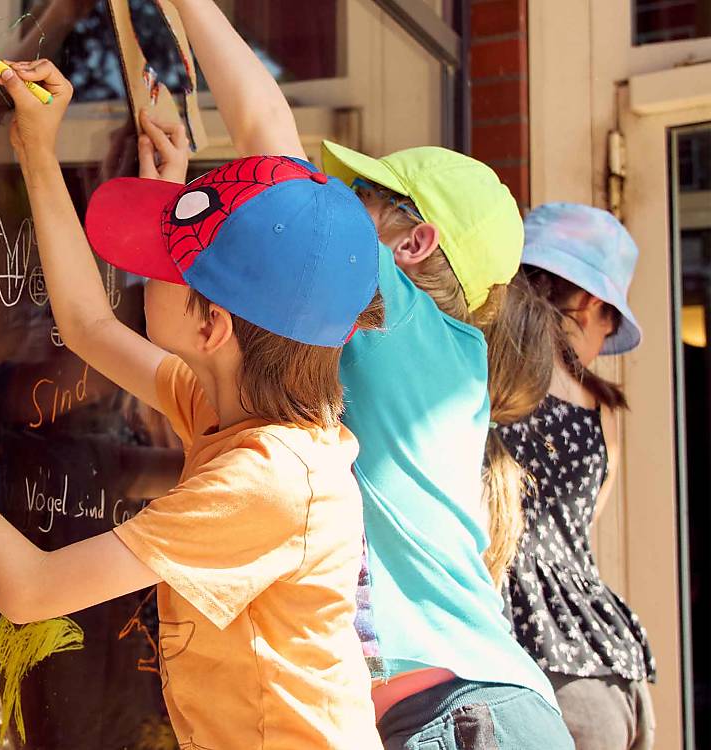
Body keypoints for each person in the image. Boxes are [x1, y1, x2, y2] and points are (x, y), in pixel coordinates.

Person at [0, 53, 388, 749]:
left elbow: (30, 590)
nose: (152, 284)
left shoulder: (266, 480)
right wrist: (36, 150)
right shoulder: (241, 413)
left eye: (171, 276)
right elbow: (88, 325)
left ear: (212, 326)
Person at [156, 0, 569, 745]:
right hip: (480, 710)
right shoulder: (441, 361)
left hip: (453, 719)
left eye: (362, 200)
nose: (338, 210)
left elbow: (268, 143)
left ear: (413, 244)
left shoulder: (401, 318)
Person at [495, 203, 656, 750]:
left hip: (501, 643)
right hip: (595, 662)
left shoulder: (484, 374)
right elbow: (577, 536)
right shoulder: (600, 412)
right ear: (591, 303)